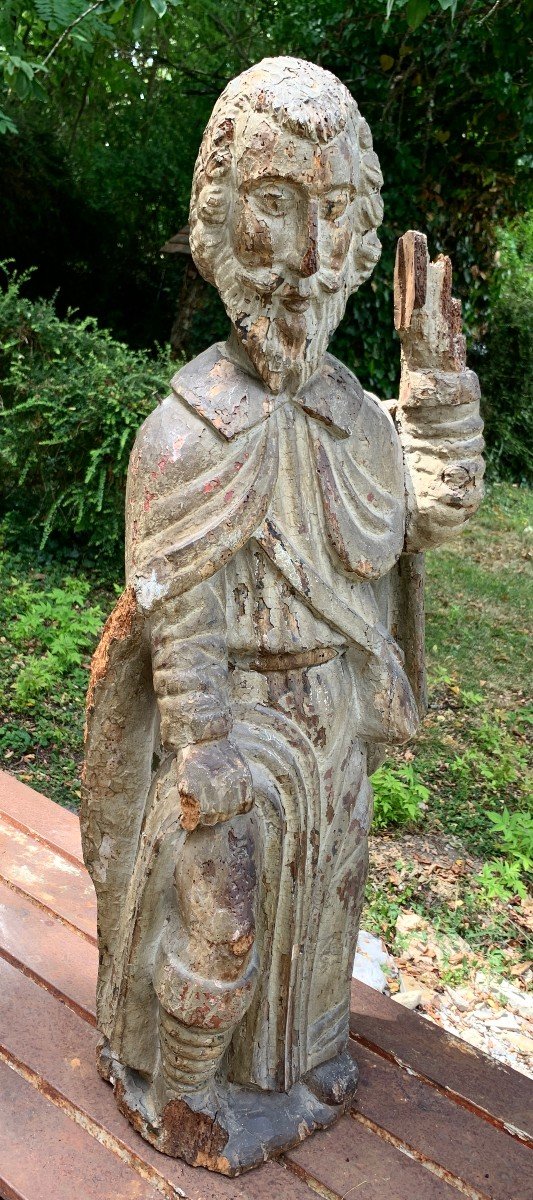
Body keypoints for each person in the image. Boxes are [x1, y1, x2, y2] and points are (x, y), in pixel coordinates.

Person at [82, 56, 484, 1174]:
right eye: (274, 206)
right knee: (226, 931)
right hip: (229, 739)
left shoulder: (357, 422)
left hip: (331, 725)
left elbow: (421, 520)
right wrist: (204, 742)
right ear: (216, 221)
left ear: (361, 242)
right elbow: (177, 609)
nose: (306, 262)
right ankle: (179, 1087)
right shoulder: (183, 433)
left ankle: (294, 1074)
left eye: (336, 215)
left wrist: (437, 398)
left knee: (322, 923)